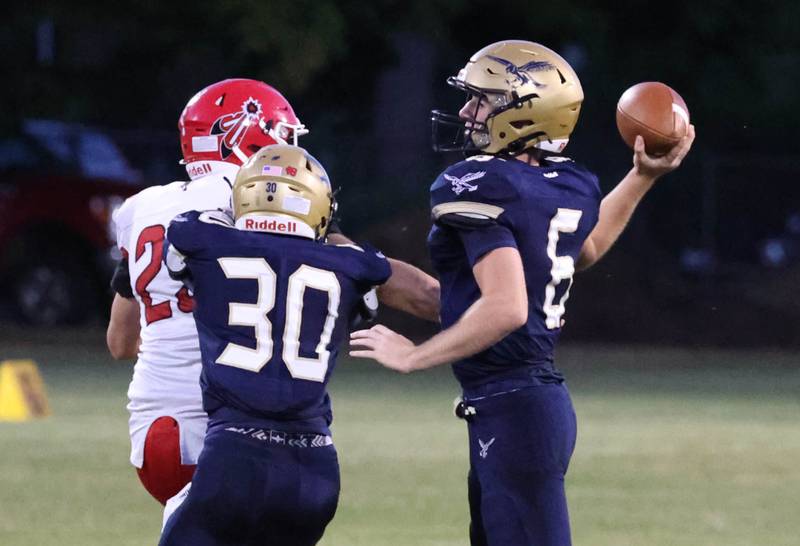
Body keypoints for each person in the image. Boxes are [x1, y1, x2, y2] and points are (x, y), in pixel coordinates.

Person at [350, 39, 695, 546]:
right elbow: (589, 246)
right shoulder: (567, 183)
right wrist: (641, 178)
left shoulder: (478, 183)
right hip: (523, 406)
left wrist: (413, 356)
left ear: (526, 113)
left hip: (515, 410)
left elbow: (506, 308)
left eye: (483, 100)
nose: (467, 111)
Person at [106, 78, 438, 507]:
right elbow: (373, 274)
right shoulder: (265, 195)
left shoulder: (140, 208)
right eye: (283, 136)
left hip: (154, 435)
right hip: (235, 430)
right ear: (240, 134)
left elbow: (119, 342)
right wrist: (455, 304)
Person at [158, 144, 388, 545]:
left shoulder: (203, 239)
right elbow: (371, 282)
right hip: (314, 466)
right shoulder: (356, 265)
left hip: (235, 453)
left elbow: (179, 245)